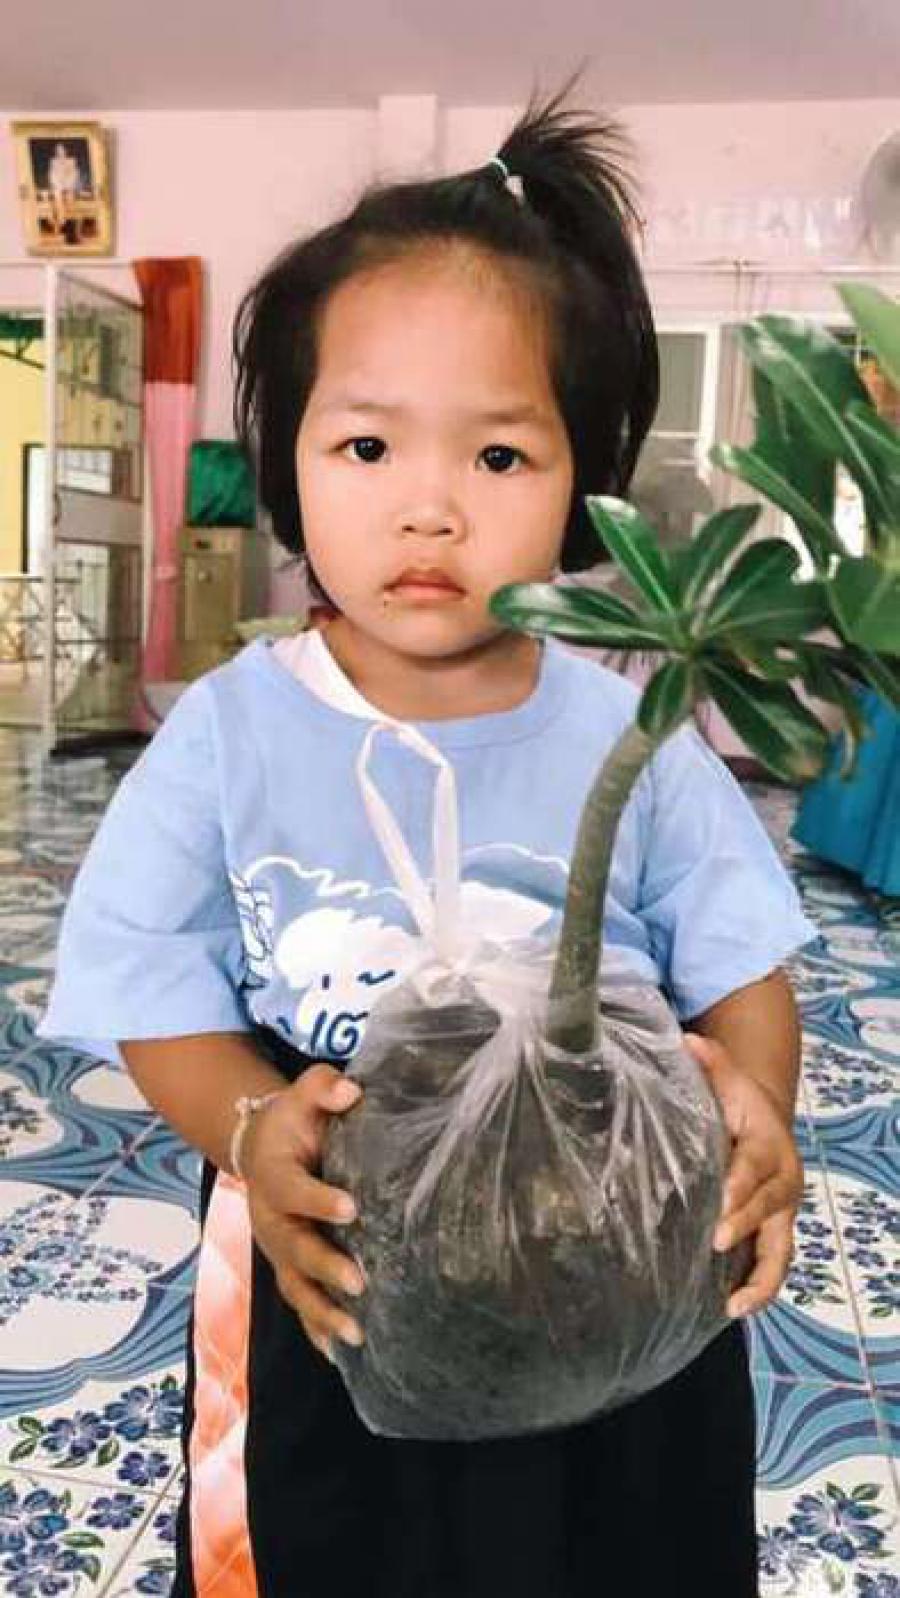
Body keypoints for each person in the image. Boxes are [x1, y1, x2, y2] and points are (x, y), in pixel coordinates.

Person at [38, 74, 815, 1598]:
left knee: (627, 1540)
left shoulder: (629, 725)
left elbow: (743, 962)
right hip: (349, 1263)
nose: (431, 510)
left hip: (609, 1241)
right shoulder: (231, 728)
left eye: (500, 456)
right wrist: (252, 1133)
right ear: (289, 454)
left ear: (584, 480)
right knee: (340, 1546)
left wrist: (758, 1113)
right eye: (368, 447)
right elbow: (151, 987)